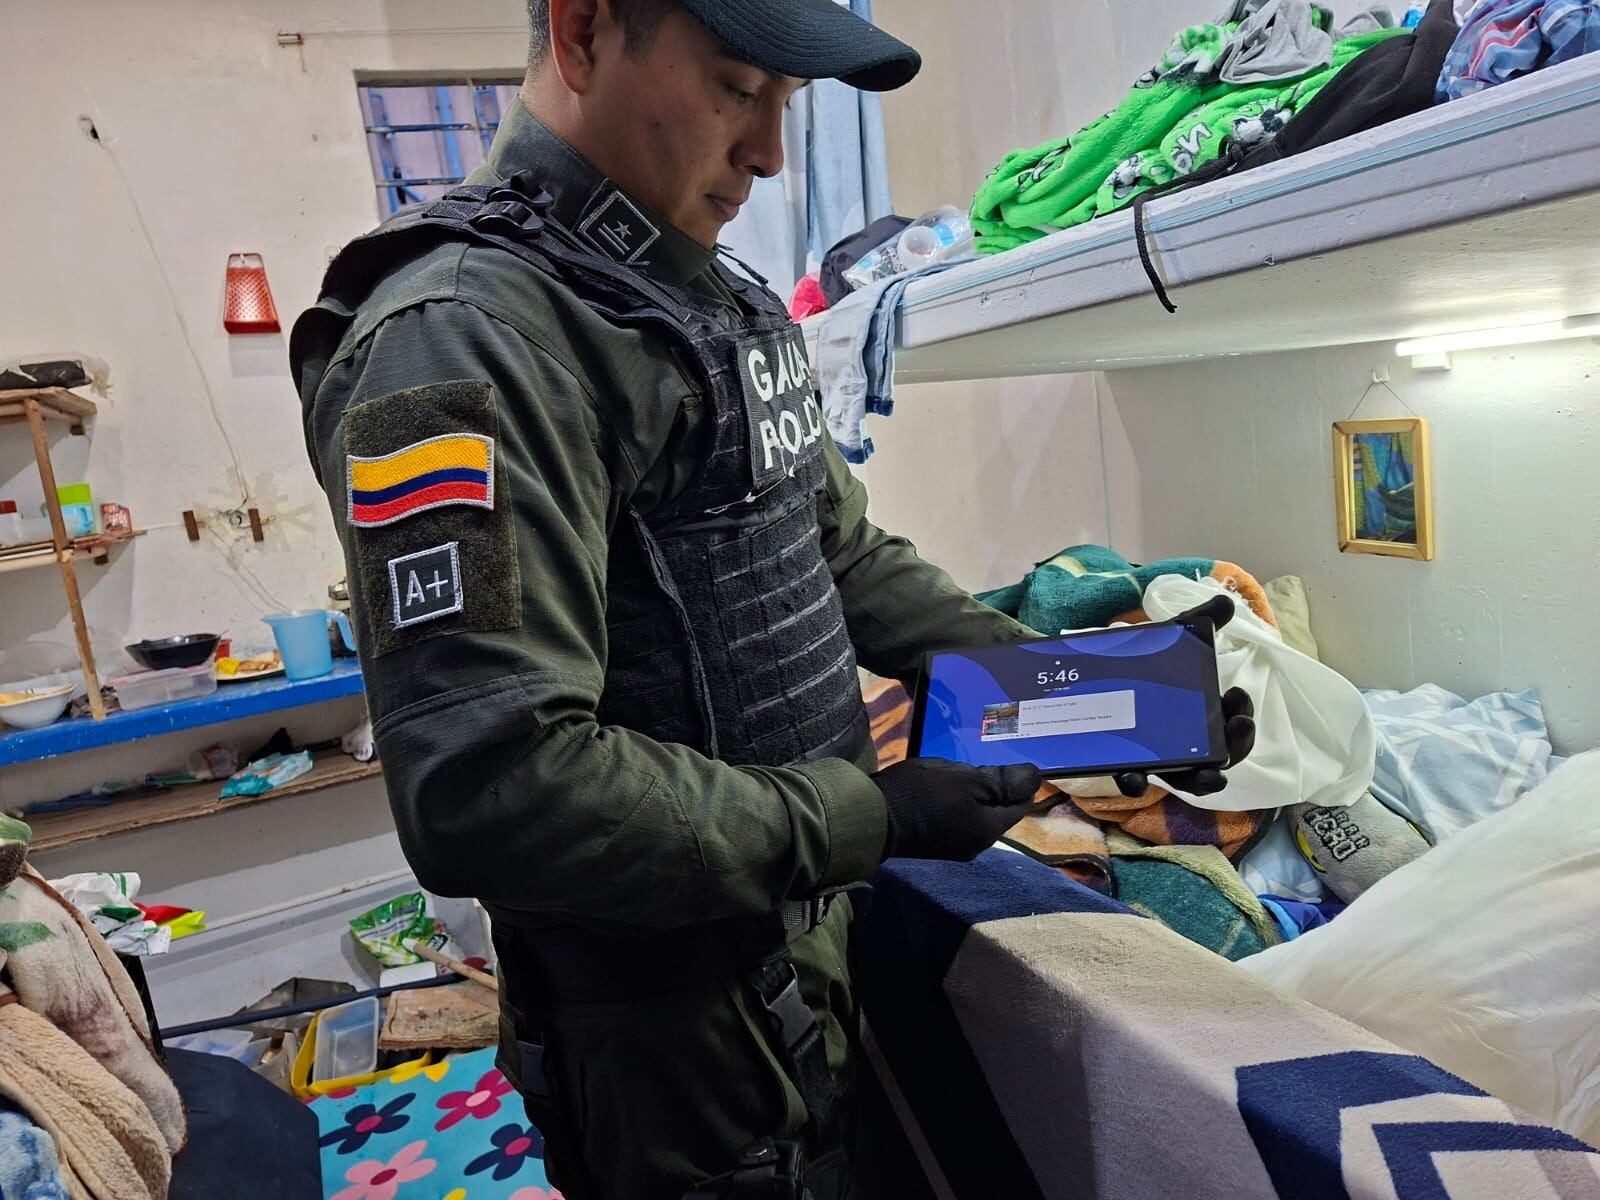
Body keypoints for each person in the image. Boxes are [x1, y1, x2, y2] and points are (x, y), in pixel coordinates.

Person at [291, 2, 1254, 1196]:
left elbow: (839, 555)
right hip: (667, 1029)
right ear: (586, 32)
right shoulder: (459, 342)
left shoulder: (700, 299)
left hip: (808, 943)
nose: (769, 152)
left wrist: (1104, 696)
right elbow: (493, 788)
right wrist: (879, 818)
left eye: (787, 104)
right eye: (738, 86)